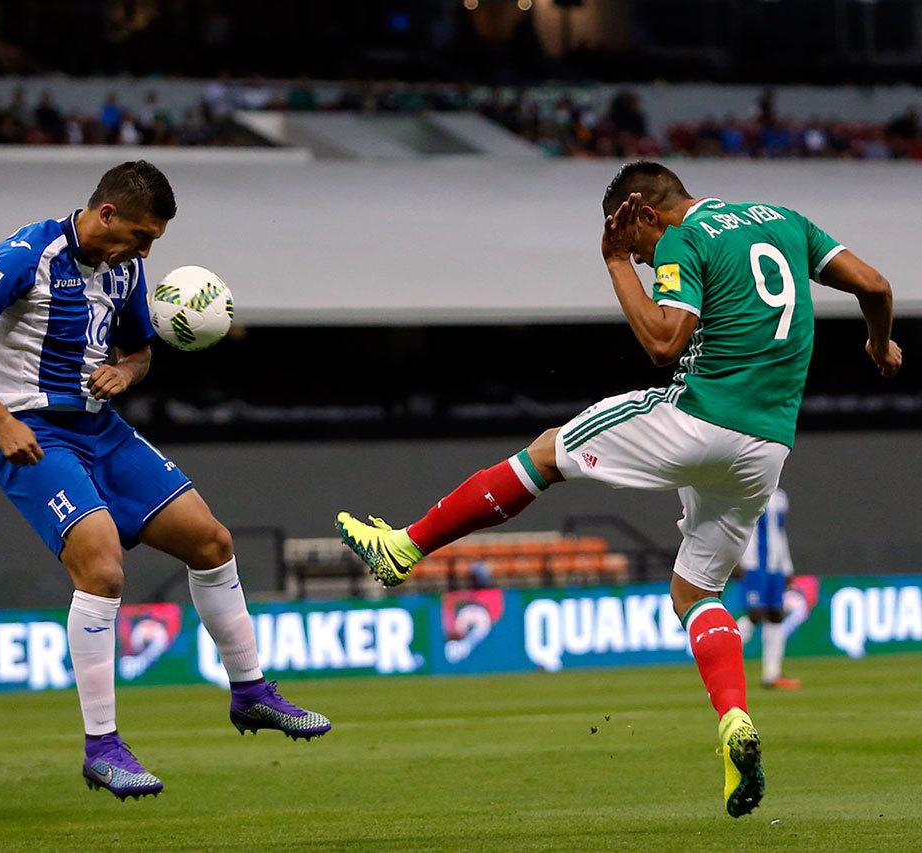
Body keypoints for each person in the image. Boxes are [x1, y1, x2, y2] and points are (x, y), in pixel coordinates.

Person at [336, 161, 902, 818]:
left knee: (548, 451)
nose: (644, 257)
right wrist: (879, 344)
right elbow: (877, 285)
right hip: (767, 446)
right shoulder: (786, 221)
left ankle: (404, 547)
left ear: (646, 211)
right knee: (696, 591)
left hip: (699, 417)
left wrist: (615, 263)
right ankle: (736, 719)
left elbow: (664, 342)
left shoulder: (687, 237)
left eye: (641, 245)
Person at [0, 160, 329, 801]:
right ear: (107, 214)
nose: (146, 252)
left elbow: (139, 351)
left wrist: (128, 373)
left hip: (99, 427)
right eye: (142, 237)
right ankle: (103, 748)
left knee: (211, 541)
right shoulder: (28, 252)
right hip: (33, 432)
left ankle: (251, 691)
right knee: (103, 569)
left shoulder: (124, 268)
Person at [736, 487, 802, 689]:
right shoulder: (748, 491)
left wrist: (787, 566)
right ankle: (717, 653)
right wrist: (737, 559)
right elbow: (737, 527)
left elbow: (780, 534)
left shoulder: (781, 497)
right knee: (755, 614)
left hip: (775, 565)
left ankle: (772, 674)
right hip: (754, 563)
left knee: (775, 614)